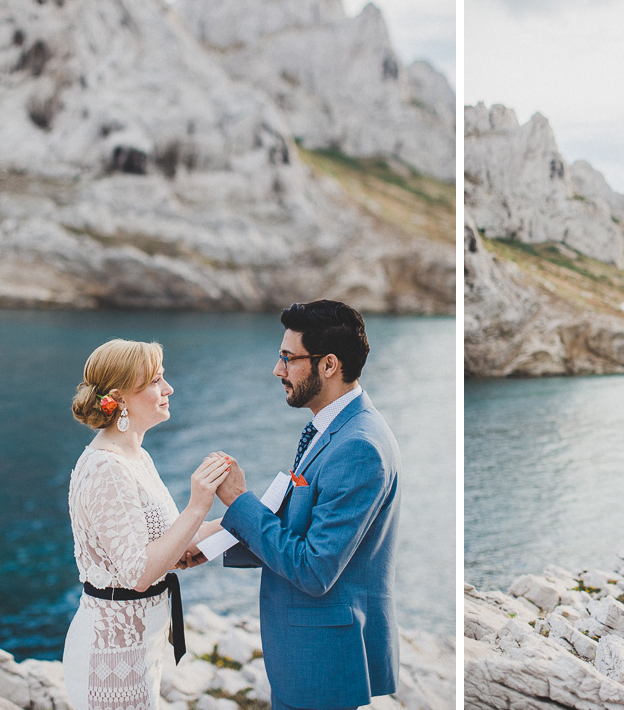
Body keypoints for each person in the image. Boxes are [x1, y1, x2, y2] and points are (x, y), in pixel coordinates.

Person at [214, 300, 401, 710]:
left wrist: (239, 501)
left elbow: (315, 568)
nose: (278, 370)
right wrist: (215, 540)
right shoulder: (334, 426)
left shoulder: (359, 447)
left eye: (288, 358)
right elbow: (299, 522)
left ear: (329, 364)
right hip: (306, 657)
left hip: (323, 662)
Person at [63, 339, 230, 710]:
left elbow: (173, 539)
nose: (168, 389)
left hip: (141, 645)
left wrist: (255, 518)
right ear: (120, 398)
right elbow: (138, 571)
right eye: (156, 381)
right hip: (110, 656)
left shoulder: (137, 456)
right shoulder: (106, 468)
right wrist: (198, 503)